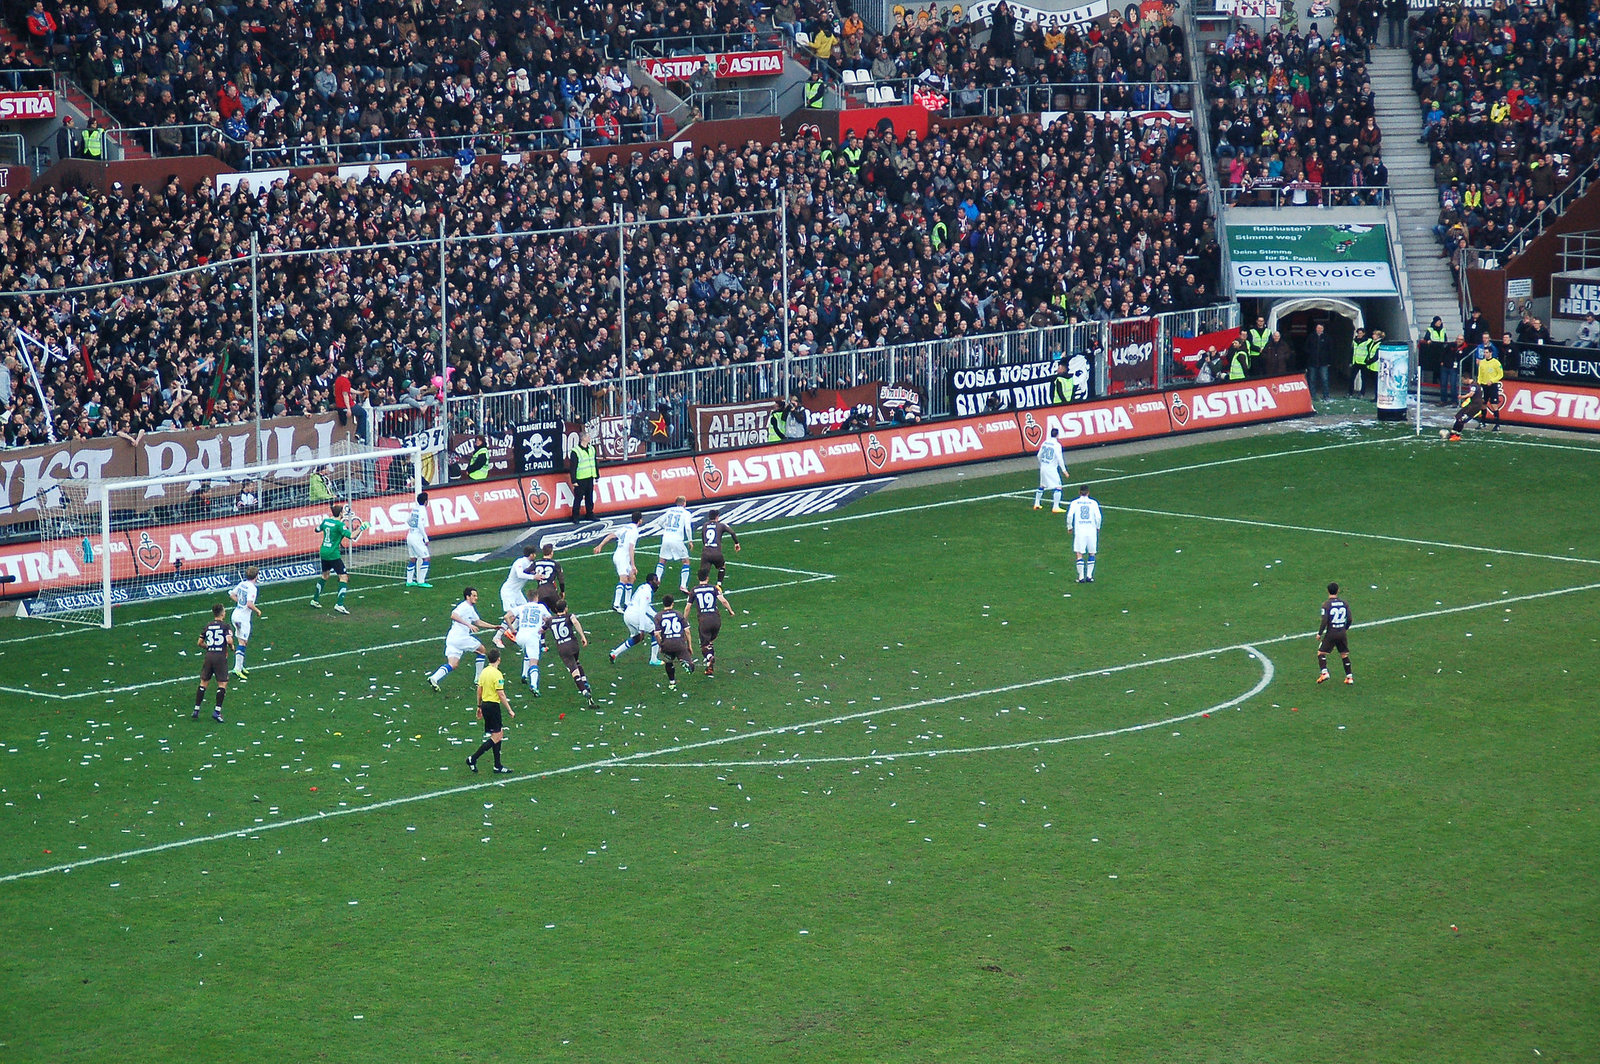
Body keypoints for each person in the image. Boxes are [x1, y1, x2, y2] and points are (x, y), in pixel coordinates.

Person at [427, 587, 498, 691]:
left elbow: (478, 622)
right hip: (461, 638)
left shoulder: (470, 608)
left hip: (452, 639)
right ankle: (478, 679)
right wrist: (468, 625)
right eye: (474, 596)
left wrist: (493, 626)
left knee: (453, 664)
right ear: (467, 596)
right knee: (482, 650)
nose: (476, 598)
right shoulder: (464, 606)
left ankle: (434, 678)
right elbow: (453, 615)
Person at [466, 647, 514, 774]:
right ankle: (473, 758)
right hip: (493, 707)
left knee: (497, 734)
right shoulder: (497, 674)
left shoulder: (484, 672)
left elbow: (479, 690)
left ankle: (497, 766)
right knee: (497, 736)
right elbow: (501, 694)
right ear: (499, 659)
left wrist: (479, 706)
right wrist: (509, 709)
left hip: (486, 705)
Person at [309, 502, 360, 614]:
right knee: (343, 577)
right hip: (333, 554)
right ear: (341, 513)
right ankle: (339, 604)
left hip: (323, 551)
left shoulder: (326, 521)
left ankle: (315, 600)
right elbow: (351, 536)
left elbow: (316, 529)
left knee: (325, 575)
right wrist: (362, 528)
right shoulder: (339, 525)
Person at [546, 598, 597, 707]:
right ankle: (585, 682)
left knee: (573, 670)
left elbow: (541, 630)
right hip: (573, 645)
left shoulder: (550, 620)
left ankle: (584, 690)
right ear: (566, 608)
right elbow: (575, 621)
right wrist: (583, 636)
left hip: (563, 648)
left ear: (555, 609)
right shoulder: (569, 616)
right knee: (577, 662)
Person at [1450, 338, 1504, 438]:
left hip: (1492, 385)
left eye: (1487, 352)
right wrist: (1478, 384)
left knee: (1494, 405)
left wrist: (1492, 381)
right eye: (1484, 352)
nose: (1485, 354)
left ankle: (1497, 424)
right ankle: (1482, 422)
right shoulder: (1482, 362)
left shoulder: (1496, 363)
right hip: (1483, 385)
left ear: (1491, 353)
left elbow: (1500, 374)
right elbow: (1480, 374)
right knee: (1483, 404)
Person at [594, 510, 644, 612]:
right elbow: (631, 548)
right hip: (622, 557)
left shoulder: (626, 527)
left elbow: (611, 535)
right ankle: (616, 605)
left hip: (620, 555)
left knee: (632, 578)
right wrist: (633, 565)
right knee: (624, 579)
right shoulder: (634, 531)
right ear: (640, 520)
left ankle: (627, 603)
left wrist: (600, 545)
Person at [610, 573, 662, 666]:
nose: (658, 582)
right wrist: (642, 628)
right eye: (655, 580)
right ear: (650, 581)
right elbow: (642, 609)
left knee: (636, 638)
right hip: (635, 615)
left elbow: (647, 607)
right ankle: (654, 659)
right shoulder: (647, 592)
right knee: (655, 631)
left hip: (627, 615)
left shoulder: (642, 587)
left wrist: (657, 615)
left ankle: (614, 653)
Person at [194, 604, 233, 722]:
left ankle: (196, 709)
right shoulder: (225, 626)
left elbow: (199, 642)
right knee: (222, 684)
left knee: (203, 683)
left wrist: (208, 647)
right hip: (220, 657)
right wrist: (231, 646)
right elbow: (229, 639)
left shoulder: (208, 626)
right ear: (222, 613)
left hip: (209, 656)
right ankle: (217, 711)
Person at [689, 576, 735, 677]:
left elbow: (688, 607)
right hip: (716, 620)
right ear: (708, 578)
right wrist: (730, 611)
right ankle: (709, 667)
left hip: (704, 621)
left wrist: (684, 619)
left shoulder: (694, 590)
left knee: (704, 645)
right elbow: (723, 601)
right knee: (710, 642)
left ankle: (709, 657)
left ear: (698, 577)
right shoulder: (714, 588)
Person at [506, 596, 553, 692]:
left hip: (520, 637)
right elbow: (550, 620)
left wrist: (512, 629)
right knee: (534, 661)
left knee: (528, 652)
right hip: (532, 637)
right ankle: (534, 686)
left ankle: (524, 675)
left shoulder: (522, 607)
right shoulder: (541, 607)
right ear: (536, 597)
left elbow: (506, 616)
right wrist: (544, 627)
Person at [654, 494, 695, 593]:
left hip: (666, 537)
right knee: (685, 561)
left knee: (662, 560)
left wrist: (667, 529)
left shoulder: (669, 510)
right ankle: (683, 585)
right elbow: (688, 528)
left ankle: (656, 580)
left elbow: (659, 522)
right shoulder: (686, 513)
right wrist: (690, 540)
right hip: (677, 539)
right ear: (684, 503)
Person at [653, 595, 696, 689]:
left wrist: (661, 645)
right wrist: (689, 646)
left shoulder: (658, 616)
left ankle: (672, 682)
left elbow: (656, 634)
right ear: (673, 603)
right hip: (679, 643)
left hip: (667, 644)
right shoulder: (678, 614)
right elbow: (687, 631)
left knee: (668, 662)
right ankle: (684, 661)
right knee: (691, 666)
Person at [498, 546, 539, 643]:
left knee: (525, 612)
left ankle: (510, 632)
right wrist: (534, 577)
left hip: (517, 592)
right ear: (531, 554)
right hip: (509, 592)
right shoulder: (519, 562)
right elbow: (520, 574)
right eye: (534, 554)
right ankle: (497, 637)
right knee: (511, 616)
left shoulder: (531, 564)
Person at [1316, 582, 1354, 684]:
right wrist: (1344, 628)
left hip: (1331, 633)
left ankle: (1324, 673)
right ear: (1338, 591)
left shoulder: (1326, 605)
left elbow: (1324, 620)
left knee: (1321, 653)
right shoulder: (1344, 603)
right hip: (1342, 632)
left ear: (1328, 591)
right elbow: (1350, 619)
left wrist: (1319, 633)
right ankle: (1349, 677)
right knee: (1344, 654)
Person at [228, 566, 262, 681]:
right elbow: (249, 604)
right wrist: (257, 610)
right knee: (242, 642)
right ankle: (237, 669)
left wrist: (240, 602)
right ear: (256, 576)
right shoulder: (252, 588)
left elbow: (232, 594)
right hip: (243, 618)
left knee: (242, 641)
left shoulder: (242, 584)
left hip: (235, 615)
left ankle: (240, 665)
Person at [1067, 484, 1102, 583]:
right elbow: (1098, 517)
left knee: (1079, 553)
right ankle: (1089, 576)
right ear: (1088, 492)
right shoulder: (1093, 503)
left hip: (1080, 531)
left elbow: (1070, 516)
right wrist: (1098, 527)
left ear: (1079, 492)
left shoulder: (1074, 503)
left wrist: (1069, 527)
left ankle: (1081, 577)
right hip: (1091, 531)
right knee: (1092, 552)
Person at [698, 508, 741, 585]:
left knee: (704, 572)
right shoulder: (721, 525)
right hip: (716, 553)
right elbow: (732, 533)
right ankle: (719, 584)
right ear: (717, 517)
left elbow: (703, 539)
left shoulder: (704, 525)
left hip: (706, 553)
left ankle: (702, 585)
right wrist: (736, 543)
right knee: (722, 567)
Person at [1033, 428, 1069, 512]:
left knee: (1042, 485)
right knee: (1058, 486)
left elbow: (1038, 455)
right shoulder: (1057, 445)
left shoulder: (1045, 442)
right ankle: (1055, 507)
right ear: (1057, 435)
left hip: (1043, 467)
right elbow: (1060, 458)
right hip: (1051, 469)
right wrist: (1064, 470)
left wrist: (1042, 463)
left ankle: (1036, 503)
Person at [569, 429, 599, 519]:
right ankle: (575, 516)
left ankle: (589, 513)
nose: (589, 438)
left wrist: (597, 474)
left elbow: (594, 462)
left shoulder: (592, 449)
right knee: (578, 498)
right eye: (587, 437)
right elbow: (573, 467)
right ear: (583, 439)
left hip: (590, 477)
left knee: (589, 497)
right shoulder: (576, 451)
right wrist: (573, 480)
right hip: (580, 478)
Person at [405, 492, 431, 587]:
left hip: (409, 535)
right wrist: (426, 538)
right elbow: (420, 524)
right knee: (426, 558)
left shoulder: (415, 508)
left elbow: (408, 520)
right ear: (425, 501)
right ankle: (421, 581)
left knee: (413, 559)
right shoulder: (423, 510)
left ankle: (409, 581)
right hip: (416, 538)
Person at [530, 543, 565, 610]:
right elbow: (561, 579)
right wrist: (562, 591)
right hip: (551, 591)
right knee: (561, 611)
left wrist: (533, 575)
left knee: (542, 614)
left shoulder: (536, 563)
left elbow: (526, 571)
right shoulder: (555, 564)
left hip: (540, 592)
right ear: (551, 552)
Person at [1304, 322, 1333, 401]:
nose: (1319, 329)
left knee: (1325, 379)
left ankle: (1326, 395)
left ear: (1323, 329)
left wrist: (1329, 361)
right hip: (1312, 362)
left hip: (1323, 362)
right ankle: (1312, 396)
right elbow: (1306, 348)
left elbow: (1330, 350)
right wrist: (1310, 355)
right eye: (1318, 328)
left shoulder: (1327, 338)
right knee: (1312, 379)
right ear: (1316, 328)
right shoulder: (1311, 337)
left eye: (1321, 328)